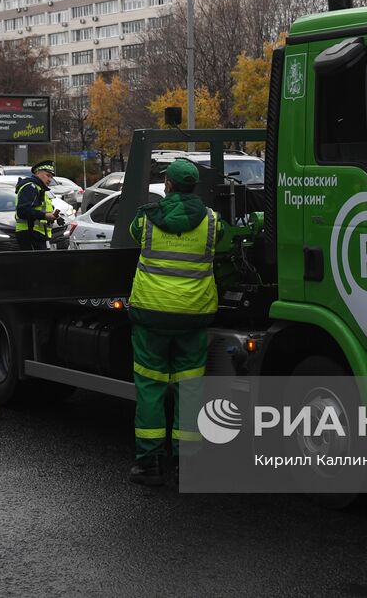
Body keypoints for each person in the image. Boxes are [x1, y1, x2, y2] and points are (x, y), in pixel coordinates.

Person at [126, 158, 220, 486]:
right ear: (194, 186)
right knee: (190, 387)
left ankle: (148, 463)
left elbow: (132, 233)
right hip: (193, 315)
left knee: (151, 386)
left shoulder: (147, 219)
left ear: (168, 185)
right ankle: (186, 462)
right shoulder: (211, 222)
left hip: (151, 313)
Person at [14, 161, 62, 251]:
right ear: (37, 173)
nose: (50, 180)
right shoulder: (30, 187)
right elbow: (22, 211)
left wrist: (55, 217)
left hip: (37, 236)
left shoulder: (40, 189)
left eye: (51, 177)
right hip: (30, 234)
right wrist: (45, 216)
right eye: (48, 175)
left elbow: (40, 210)